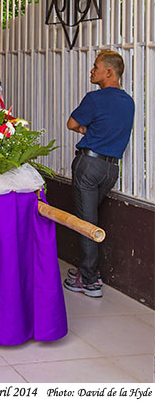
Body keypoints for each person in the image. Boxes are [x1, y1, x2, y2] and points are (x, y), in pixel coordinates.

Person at [64, 50, 134, 298]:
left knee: (86, 222)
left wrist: (87, 130)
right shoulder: (128, 102)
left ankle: (90, 280)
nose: (92, 71)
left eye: (95, 67)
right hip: (110, 170)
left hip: (89, 166)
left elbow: (72, 124)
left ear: (109, 72)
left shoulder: (95, 98)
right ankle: (87, 271)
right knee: (90, 218)